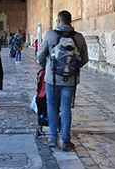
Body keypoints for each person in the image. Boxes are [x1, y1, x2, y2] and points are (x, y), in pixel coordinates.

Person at [36, 10, 88, 152]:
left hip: (52, 79)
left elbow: (40, 56)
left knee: (51, 106)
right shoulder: (78, 37)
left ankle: (53, 138)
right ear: (71, 21)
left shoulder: (50, 35)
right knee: (65, 108)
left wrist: (46, 67)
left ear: (58, 21)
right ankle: (66, 141)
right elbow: (85, 59)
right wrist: (74, 67)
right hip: (70, 80)